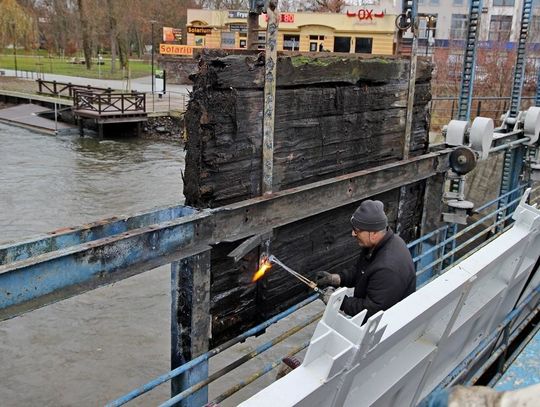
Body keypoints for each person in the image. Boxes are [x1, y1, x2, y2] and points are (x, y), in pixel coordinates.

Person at [317, 199, 416, 320]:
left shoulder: (387, 268)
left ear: (374, 233)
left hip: (387, 324)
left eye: (357, 230)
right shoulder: (382, 243)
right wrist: (338, 279)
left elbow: (371, 310)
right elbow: (362, 270)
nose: (353, 234)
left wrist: (338, 302)